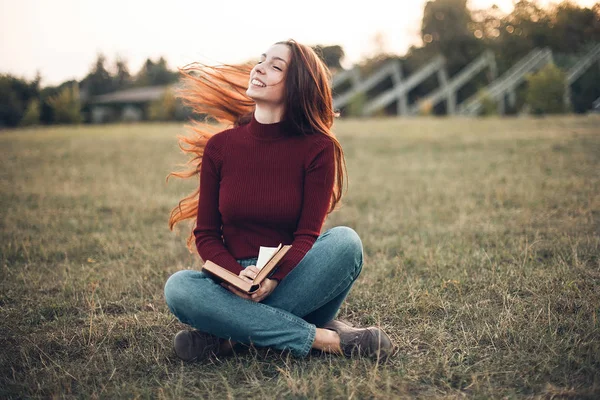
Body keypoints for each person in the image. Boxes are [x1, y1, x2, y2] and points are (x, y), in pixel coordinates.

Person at [164, 39, 393, 361]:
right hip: (231, 281)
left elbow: (307, 235)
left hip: (291, 277)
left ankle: (230, 340)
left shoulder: (317, 148)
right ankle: (327, 339)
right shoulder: (221, 147)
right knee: (179, 287)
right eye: (262, 60)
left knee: (346, 241)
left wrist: (272, 280)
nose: (259, 68)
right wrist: (234, 278)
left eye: (275, 66)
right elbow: (206, 234)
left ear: (297, 85)